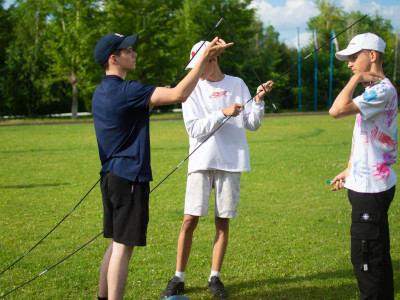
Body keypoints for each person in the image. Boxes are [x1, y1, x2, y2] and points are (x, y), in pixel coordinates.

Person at [92, 33, 233, 300]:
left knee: (114, 244)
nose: (134, 54)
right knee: (123, 248)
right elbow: (180, 94)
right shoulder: (128, 90)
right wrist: (204, 56)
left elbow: (139, 109)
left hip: (110, 179)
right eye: (128, 50)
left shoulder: (102, 92)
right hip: (129, 179)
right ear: (114, 58)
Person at [159, 41, 273, 299]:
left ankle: (215, 277)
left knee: (222, 222)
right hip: (201, 162)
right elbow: (195, 129)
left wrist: (258, 99)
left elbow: (252, 124)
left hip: (231, 162)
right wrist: (222, 112)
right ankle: (178, 277)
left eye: (200, 64)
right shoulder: (191, 89)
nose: (196, 70)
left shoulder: (236, 84)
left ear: (214, 59)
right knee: (189, 220)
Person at [329, 33, 397, 300]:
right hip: (366, 182)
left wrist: (356, 79)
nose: (349, 64)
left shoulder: (382, 89)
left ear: (372, 55)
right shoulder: (374, 91)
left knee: (367, 259)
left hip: (371, 189)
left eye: (354, 57)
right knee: (375, 253)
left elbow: (336, 110)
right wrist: (350, 169)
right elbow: (364, 137)